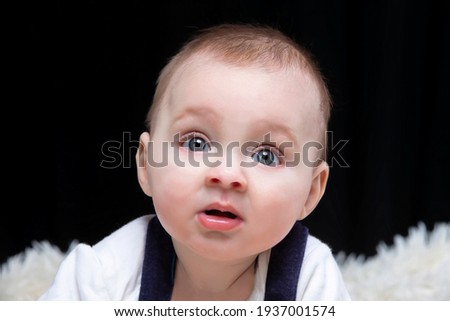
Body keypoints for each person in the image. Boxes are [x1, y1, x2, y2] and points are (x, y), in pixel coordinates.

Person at [41, 23, 350, 300]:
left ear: (310, 193)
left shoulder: (310, 280)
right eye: (196, 143)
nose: (227, 174)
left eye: (266, 155)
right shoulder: (103, 275)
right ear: (147, 164)